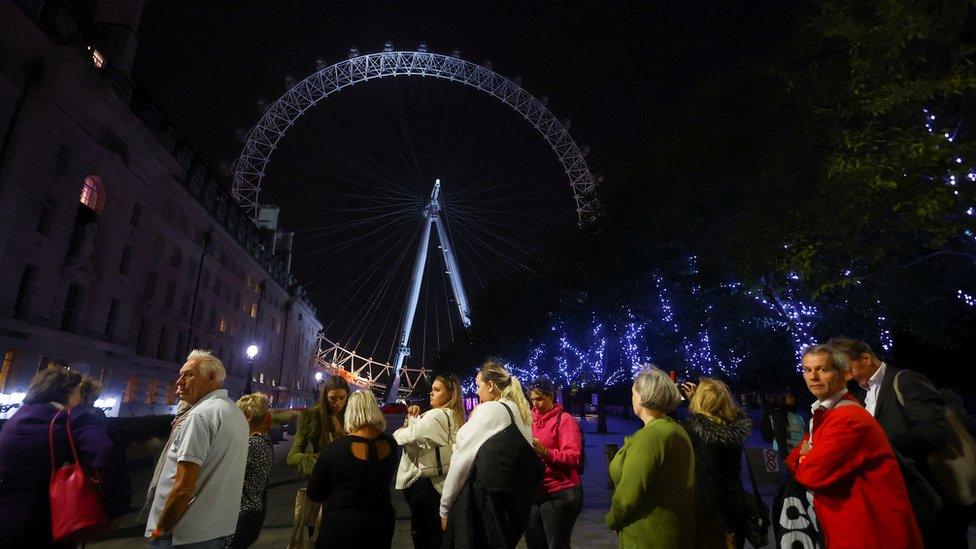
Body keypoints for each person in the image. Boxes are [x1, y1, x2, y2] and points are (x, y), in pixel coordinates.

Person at [828, 336, 967, 547]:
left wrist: (876, 443)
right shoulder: (863, 394)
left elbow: (934, 433)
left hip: (931, 494)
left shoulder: (906, 380)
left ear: (865, 359)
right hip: (900, 498)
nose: (847, 377)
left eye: (848, 369)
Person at [786, 344, 921, 548]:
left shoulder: (847, 418)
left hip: (869, 531)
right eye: (807, 369)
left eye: (823, 369)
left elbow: (812, 474)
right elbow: (793, 458)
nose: (813, 377)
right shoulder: (826, 414)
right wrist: (805, 457)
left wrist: (806, 458)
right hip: (852, 526)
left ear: (845, 374)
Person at [0, 366, 130, 549]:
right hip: (53, 521)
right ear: (68, 392)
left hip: (8, 520)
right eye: (78, 392)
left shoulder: (14, 420)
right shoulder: (71, 419)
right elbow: (107, 455)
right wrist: (116, 508)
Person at [146, 350, 249, 548]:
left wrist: (161, 528)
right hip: (214, 530)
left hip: (182, 533)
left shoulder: (200, 416)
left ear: (211, 377)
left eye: (188, 375)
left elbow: (183, 487)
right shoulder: (234, 412)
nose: (179, 381)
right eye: (181, 374)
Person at [440, 360, 540, 548]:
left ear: (491, 385)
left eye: (479, 386)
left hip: (487, 505)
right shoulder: (520, 410)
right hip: (515, 502)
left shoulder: (491, 410)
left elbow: (462, 460)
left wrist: (444, 507)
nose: (477, 392)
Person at [605, 366, 695, 548]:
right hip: (671, 530)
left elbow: (629, 494)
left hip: (648, 534)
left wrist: (612, 519)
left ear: (644, 396)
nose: (631, 398)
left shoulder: (650, 437)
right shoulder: (674, 428)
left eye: (633, 393)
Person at [307, 390, 400, 548]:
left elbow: (314, 492)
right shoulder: (391, 444)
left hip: (341, 525)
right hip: (380, 522)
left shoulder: (335, 449)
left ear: (350, 412)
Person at [393, 374, 466, 549]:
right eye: (432, 389)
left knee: (424, 536)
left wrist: (398, 432)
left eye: (437, 389)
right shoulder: (455, 416)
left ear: (450, 394)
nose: (431, 393)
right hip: (444, 481)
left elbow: (412, 435)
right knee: (438, 535)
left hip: (428, 484)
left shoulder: (437, 415)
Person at [681, 377, 752, 549]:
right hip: (734, 505)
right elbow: (710, 421)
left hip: (707, 510)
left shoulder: (693, 431)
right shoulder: (735, 429)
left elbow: (698, 425)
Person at [286, 375, 349, 540]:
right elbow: (293, 456)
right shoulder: (311, 417)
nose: (337, 402)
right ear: (324, 397)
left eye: (342, 398)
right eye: (332, 398)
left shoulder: (353, 416)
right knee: (319, 536)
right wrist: (319, 462)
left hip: (348, 487)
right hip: (323, 488)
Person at [524, 378, 584, 549]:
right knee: (534, 541)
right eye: (533, 399)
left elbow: (573, 457)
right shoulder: (530, 420)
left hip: (561, 490)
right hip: (537, 491)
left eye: (540, 399)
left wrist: (546, 452)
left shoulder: (565, 420)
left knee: (556, 543)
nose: (535, 404)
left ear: (551, 397)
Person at [225, 393, 275, 549]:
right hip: (252, 512)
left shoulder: (251, 445)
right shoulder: (263, 441)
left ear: (248, 417)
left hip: (241, 514)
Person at [760, 389, 806, 460]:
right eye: (790, 397)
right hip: (790, 453)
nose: (793, 398)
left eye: (793, 396)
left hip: (799, 451)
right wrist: (784, 455)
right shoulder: (780, 413)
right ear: (782, 398)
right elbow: (779, 434)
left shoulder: (793, 413)